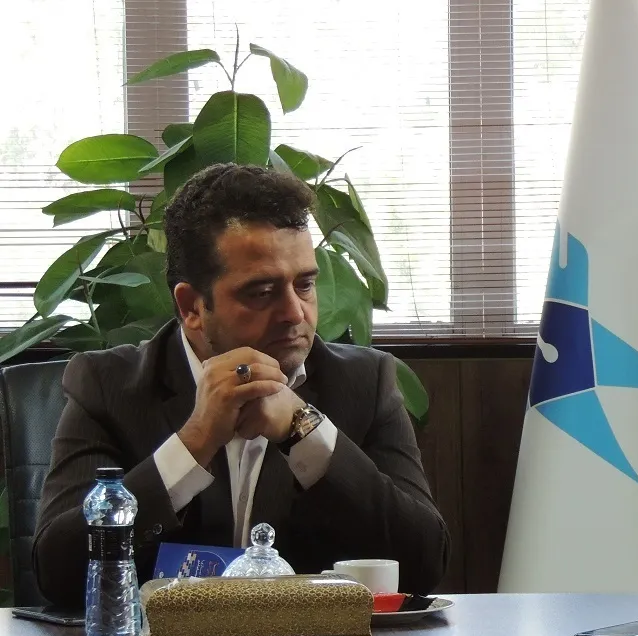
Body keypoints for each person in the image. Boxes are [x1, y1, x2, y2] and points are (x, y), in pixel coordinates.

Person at [34, 163, 449, 606]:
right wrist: (194, 442)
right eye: (262, 292)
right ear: (192, 307)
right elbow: (58, 574)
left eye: (305, 285)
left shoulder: (364, 382)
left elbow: (424, 563)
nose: (295, 313)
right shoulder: (109, 386)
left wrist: (305, 431)